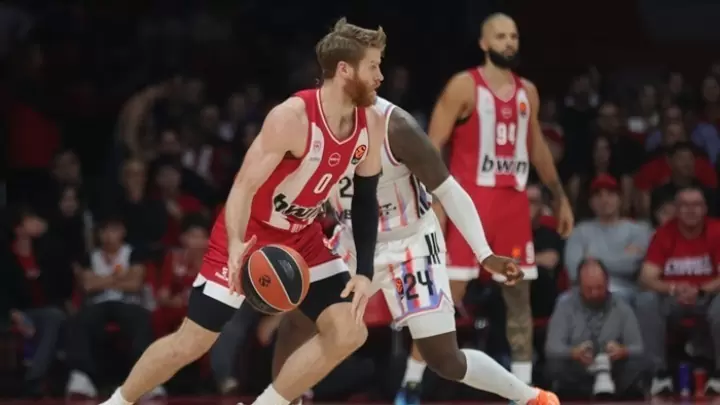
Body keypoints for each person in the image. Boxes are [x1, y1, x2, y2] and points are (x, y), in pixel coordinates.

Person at [99, 18, 387, 405]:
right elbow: (242, 188)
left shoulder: (372, 122)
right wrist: (236, 243)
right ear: (344, 70)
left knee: (350, 331)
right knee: (193, 341)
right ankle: (116, 402)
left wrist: (364, 271)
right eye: (373, 66)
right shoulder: (292, 118)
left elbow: (365, 198)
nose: (380, 76)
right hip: (251, 231)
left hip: (302, 235)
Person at [272, 96, 559, 405]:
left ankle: (531, 397)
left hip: (411, 243)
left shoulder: (397, 126)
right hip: (353, 241)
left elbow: (449, 190)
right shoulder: (307, 127)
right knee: (296, 321)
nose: (377, 77)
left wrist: (484, 254)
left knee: (445, 359)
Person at [427, 12, 574, 384]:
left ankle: (523, 388)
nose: (509, 42)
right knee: (447, 296)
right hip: (469, 202)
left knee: (519, 297)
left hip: (512, 203)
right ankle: (415, 380)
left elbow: (537, 147)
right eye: (500, 36)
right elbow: (431, 146)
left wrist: (559, 196)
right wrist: (435, 201)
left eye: (513, 36)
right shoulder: (464, 86)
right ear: (483, 43)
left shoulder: (529, 92)